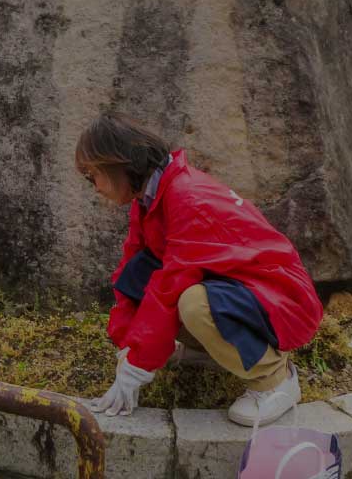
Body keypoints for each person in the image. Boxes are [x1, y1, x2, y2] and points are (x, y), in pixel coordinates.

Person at [76, 115, 323, 427]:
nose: (94, 188)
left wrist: (137, 366)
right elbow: (133, 271)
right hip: (246, 291)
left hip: (280, 299)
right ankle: (209, 349)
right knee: (140, 271)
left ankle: (275, 379)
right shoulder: (151, 198)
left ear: (118, 165)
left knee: (193, 303)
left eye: (93, 176)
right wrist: (129, 345)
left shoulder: (186, 197)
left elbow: (170, 286)